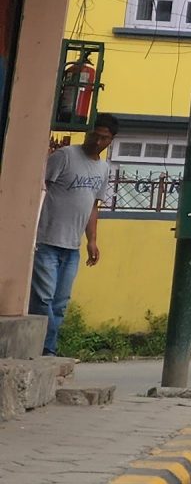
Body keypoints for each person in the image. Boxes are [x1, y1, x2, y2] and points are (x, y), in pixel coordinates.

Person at [31, 114, 117, 355]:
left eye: (105, 138)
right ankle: (43, 347)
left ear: (111, 140)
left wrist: (92, 240)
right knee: (43, 298)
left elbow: (92, 205)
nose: (98, 141)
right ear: (88, 133)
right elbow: (39, 185)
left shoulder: (103, 168)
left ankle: (48, 349)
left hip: (72, 247)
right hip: (46, 240)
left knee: (60, 303)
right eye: (95, 135)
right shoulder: (65, 156)